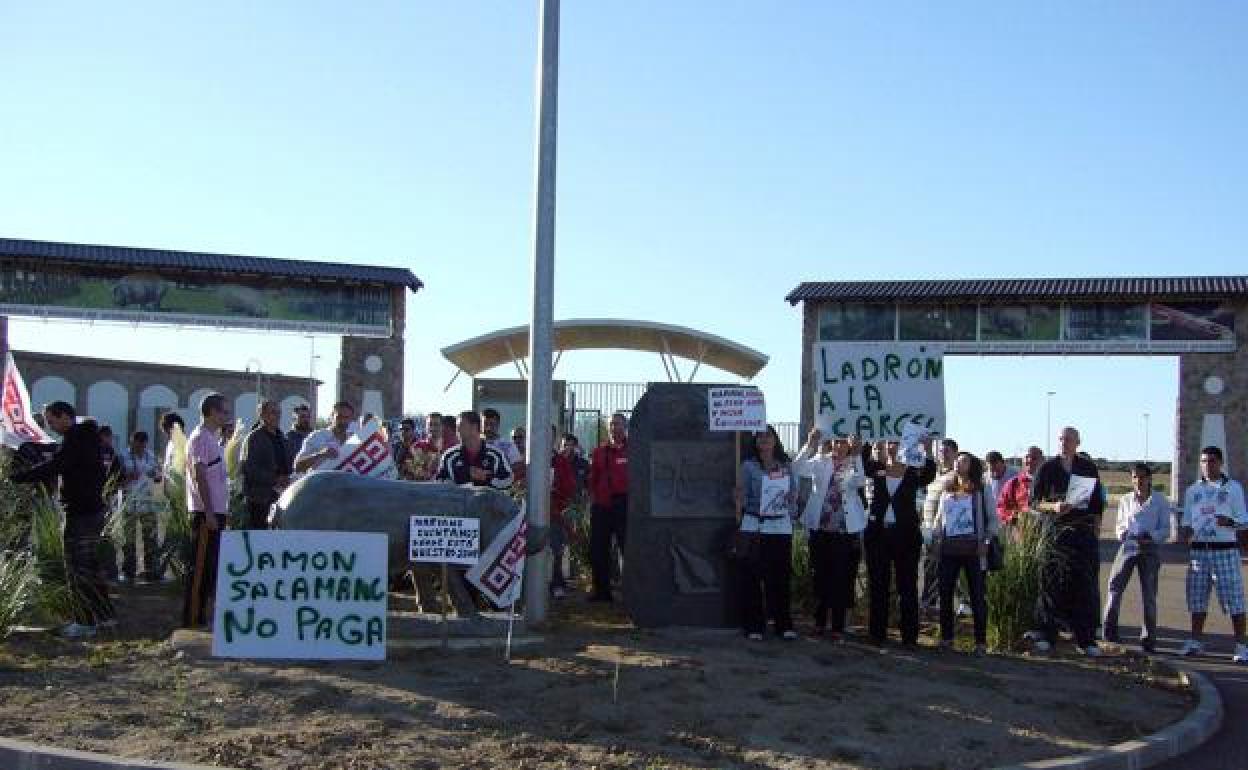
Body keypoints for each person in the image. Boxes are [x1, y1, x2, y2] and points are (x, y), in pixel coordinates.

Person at [13, 401, 116, 637]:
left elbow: (56, 465)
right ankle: (103, 617)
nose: (50, 427)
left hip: (81, 513)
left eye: (51, 421)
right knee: (91, 566)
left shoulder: (76, 439)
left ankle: (84, 622)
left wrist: (20, 477)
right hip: (92, 510)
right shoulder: (89, 438)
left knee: (78, 569)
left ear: (64, 416)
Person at [1030, 426, 1104, 656]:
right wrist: (1053, 506)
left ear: (1078, 442)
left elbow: (1096, 503)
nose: (1065, 443)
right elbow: (1034, 502)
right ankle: (1046, 634)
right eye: (1061, 439)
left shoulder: (1088, 468)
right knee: (1051, 583)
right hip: (1054, 532)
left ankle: (1086, 639)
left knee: (1085, 585)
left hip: (1081, 534)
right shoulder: (1047, 468)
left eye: (1069, 439)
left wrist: (1095, 523)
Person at [863, 437, 937, 646]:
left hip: (906, 536)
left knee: (907, 587)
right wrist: (865, 441)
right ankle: (877, 634)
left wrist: (928, 450)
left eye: (895, 443)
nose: (891, 447)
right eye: (888, 444)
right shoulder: (876, 468)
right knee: (878, 585)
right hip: (879, 535)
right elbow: (861, 461)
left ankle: (909, 637)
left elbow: (929, 474)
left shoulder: (913, 471)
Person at [793, 429, 865, 639]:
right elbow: (796, 468)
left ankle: (837, 626)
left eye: (843, 442)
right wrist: (809, 444)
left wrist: (858, 455)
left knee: (840, 577)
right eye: (836, 442)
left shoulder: (853, 462)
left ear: (849, 445)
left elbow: (860, 481)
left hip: (843, 530)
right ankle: (819, 621)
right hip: (820, 527)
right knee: (820, 576)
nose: (839, 446)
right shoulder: (820, 460)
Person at [1178, 446, 1248, 662]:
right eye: (1204, 461)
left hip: (1225, 550)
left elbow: (1244, 521)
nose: (1207, 465)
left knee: (1234, 600)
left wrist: (1229, 522)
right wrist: (1187, 530)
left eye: (1212, 461)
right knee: (1197, 599)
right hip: (1199, 551)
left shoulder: (1233, 488)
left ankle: (1241, 646)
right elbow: (1187, 522)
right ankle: (1196, 642)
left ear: (1220, 463)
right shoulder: (1192, 491)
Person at [734, 425, 799, 641]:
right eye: (760, 436)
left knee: (779, 577)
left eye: (768, 436)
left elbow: (794, 493)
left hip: (779, 526)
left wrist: (791, 498)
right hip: (753, 524)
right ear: (755, 442)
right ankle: (754, 625)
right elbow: (740, 497)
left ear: (775, 440)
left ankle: (783, 624)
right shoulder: (748, 466)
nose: (764, 440)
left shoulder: (786, 466)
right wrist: (738, 497)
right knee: (751, 578)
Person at [932, 452, 997, 654]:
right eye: (957, 461)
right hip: (949, 550)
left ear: (972, 466)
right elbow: (939, 517)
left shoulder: (981, 488)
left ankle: (980, 643)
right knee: (945, 593)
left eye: (964, 461)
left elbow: (993, 518)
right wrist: (935, 539)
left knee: (977, 596)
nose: (959, 464)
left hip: (974, 551)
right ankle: (946, 638)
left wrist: (986, 540)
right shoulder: (947, 489)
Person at [1103, 463, 1170, 652]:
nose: (1138, 481)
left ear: (1149, 479)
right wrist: (1123, 534)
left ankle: (1148, 639)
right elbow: (1119, 526)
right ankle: (1109, 632)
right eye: (1134, 477)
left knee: (1149, 595)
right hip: (1128, 547)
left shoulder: (1160, 501)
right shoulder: (1125, 500)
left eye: (1141, 477)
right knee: (1114, 587)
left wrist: (1152, 537)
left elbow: (1165, 529)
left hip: (1149, 550)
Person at [183, 393, 230, 628]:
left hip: (216, 511)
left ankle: (201, 614)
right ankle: (193, 617)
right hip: (205, 512)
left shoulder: (213, 439)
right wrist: (209, 511)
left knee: (211, 566)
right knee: (201, 566)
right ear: (211, 411)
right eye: (223, 411)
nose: (226, 415)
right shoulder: (201, 438)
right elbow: (199, 474)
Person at [588, 412, 630, 602]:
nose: (614, 428)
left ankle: (631, 591)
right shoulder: (599, 451)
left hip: (625, 505)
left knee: (627, 549)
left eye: (618, 424)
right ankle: (602, 592)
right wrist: (594, 499)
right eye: (611, 424)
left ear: (625, 426)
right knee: (598, 549)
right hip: (602, 506)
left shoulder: (633, 450)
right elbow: (592, 479)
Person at [920, 438, 960, 609]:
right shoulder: (935, 473)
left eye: (947, 451)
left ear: (955, 453)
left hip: (944, 529)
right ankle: (929, 601)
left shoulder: (956, 476)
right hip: (929, 527)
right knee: (929, 566)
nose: (943, 454)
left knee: (943, 568)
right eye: (941, 451)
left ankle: (940, 603)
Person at [119, 430, 163, 583]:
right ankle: (129, 570)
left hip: (147, 501)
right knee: (128, 538)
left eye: (143, 445)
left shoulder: (150, 456)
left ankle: (151, 569)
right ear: (132, 441)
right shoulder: (122, 456)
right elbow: (116, 477)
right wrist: (127, 476)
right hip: (128, 500)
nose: (140, 448)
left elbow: (158, 476)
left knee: (150, 536)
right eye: (137, 445)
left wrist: (156, 475)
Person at [240, 400, 291, 530]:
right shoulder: (254, 438)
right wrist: (275, 479)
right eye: (273, 412)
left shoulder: (283, 438)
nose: (277, 416)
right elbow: (248, 468)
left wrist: (288, 478)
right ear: (261, 415)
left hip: (281, 497)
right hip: (259, 500)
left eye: (279, 413)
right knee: (260, 537)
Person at [434, 410, 513, 489]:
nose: (457, 430)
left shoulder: (496, 455)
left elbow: (508, 480)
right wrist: (464, 475)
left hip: (488, 500)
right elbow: (440, 482)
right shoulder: (449, 456)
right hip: (458, 500)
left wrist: (487, 478)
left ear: (474, 427)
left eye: (460, 426)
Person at [548, 425, 577, 599]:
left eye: (549, 435)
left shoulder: (560, 461)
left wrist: (555, 490)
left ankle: (557, 584)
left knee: (556, 549)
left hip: (555, 512)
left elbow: (570, 486)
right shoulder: (528, 458)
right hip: (530, 513)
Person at [294, 401, 354, 475]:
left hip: (346, 485)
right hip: (320, 484)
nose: (343, 421)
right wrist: (321, 454)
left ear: (351, 419)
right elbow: (297, 467)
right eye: (339, 417)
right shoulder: (316, 436)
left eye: (346, 417)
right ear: (332, 416)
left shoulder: (354, 440)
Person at [998, 446, 1044, 527]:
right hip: (1021, 533)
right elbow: (1002, 507)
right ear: (1022, 460)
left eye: (1034, 458)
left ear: (1042, 460)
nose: (1029, 460)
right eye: (1027, 457)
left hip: (1046, 532)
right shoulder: (1013, 483)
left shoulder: (1051, 482)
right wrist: (1014, 517)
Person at [483, 408, 525, 481]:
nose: (488, 428)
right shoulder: (473, 444)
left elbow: (518, 465)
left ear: (498, 425)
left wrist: (500, 471)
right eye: (485, 424)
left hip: (501, 488)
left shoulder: (508, 445)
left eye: (492, 424)